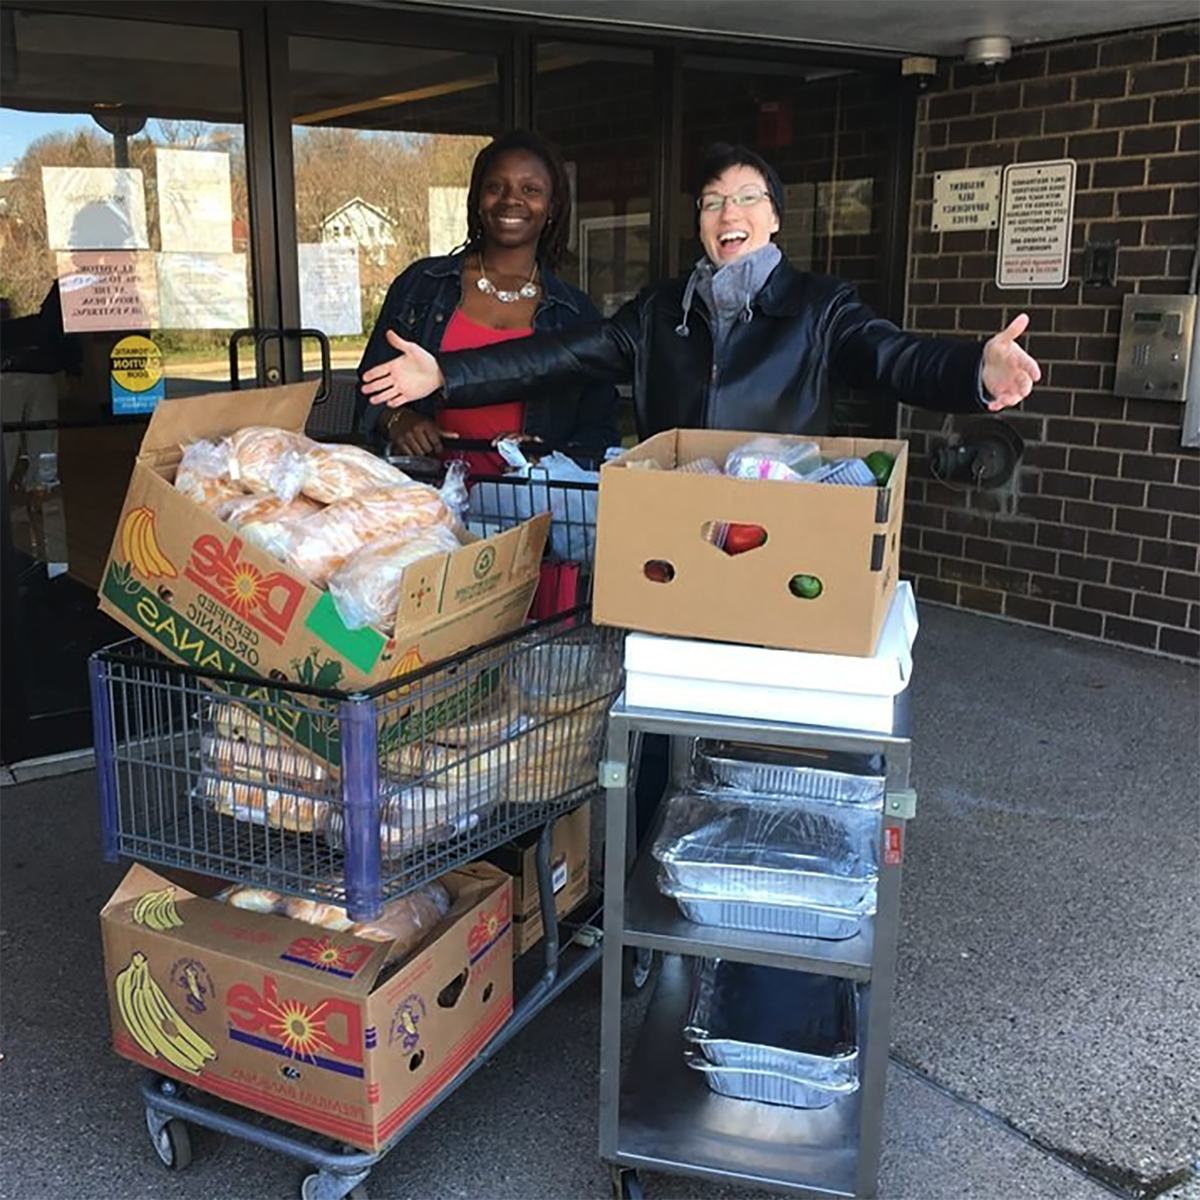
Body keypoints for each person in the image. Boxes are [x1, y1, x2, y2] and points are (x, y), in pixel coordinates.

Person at [360, 141, 1040, 434]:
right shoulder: (662, 312)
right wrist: (442, 374)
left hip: (777, 529)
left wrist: (975, 369)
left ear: (774, 216)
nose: (729, 213)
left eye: (748, 198)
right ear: (701, 224)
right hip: (677, 530)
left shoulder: (819, 309)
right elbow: (557, 355)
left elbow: (896, 357)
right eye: (714, 201)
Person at [355, 129, 620, 474]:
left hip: (532, 515)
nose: (512, 199)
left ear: (552, 206)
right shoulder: (422, 287)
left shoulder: (574, 314)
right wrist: (398, 420)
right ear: (478, 200)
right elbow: (368, 392)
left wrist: (549, 457)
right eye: (497, 187)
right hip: (427, 504)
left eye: (531, 189)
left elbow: (600, 430)